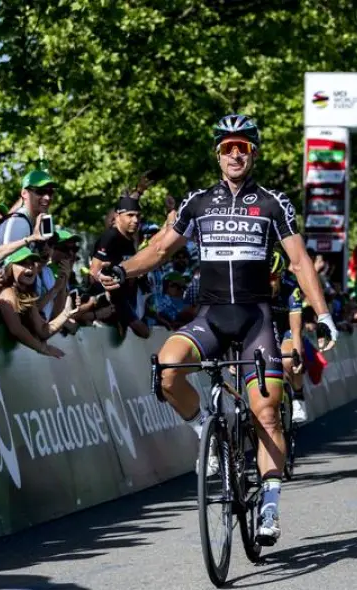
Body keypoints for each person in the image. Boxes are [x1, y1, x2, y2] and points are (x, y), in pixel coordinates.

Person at [97, 114, 337, 546]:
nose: (234, 154)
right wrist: (121, 269)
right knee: (167, 369)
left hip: (255, 320)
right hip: (209, 317)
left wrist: (323, 314)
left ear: (253, 154)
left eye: (242, 147)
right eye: (227, 147)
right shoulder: (197, 202)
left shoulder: (272, 203)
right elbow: (157, 251)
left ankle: (269, 503)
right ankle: (207, 430)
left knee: (266, 411)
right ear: (218, 154)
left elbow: (299, 262)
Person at [90, 194, 151, 338]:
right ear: (118, 216)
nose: (135, 220)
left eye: (138, 216)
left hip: (127, 299)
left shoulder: (129, 239)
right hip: (113, 300)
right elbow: (94, 271)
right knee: (144, 332)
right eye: (130, 215)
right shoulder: (110, 237)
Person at [269, 249, 307, 423]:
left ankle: (298, 398)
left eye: (272, 278)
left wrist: (297, 353)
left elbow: (296, 328)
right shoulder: (254, 288)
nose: (268, 283)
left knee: (288, 360)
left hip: (288, 327)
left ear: (280, 276)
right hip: (267, 325)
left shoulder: (291, 289)